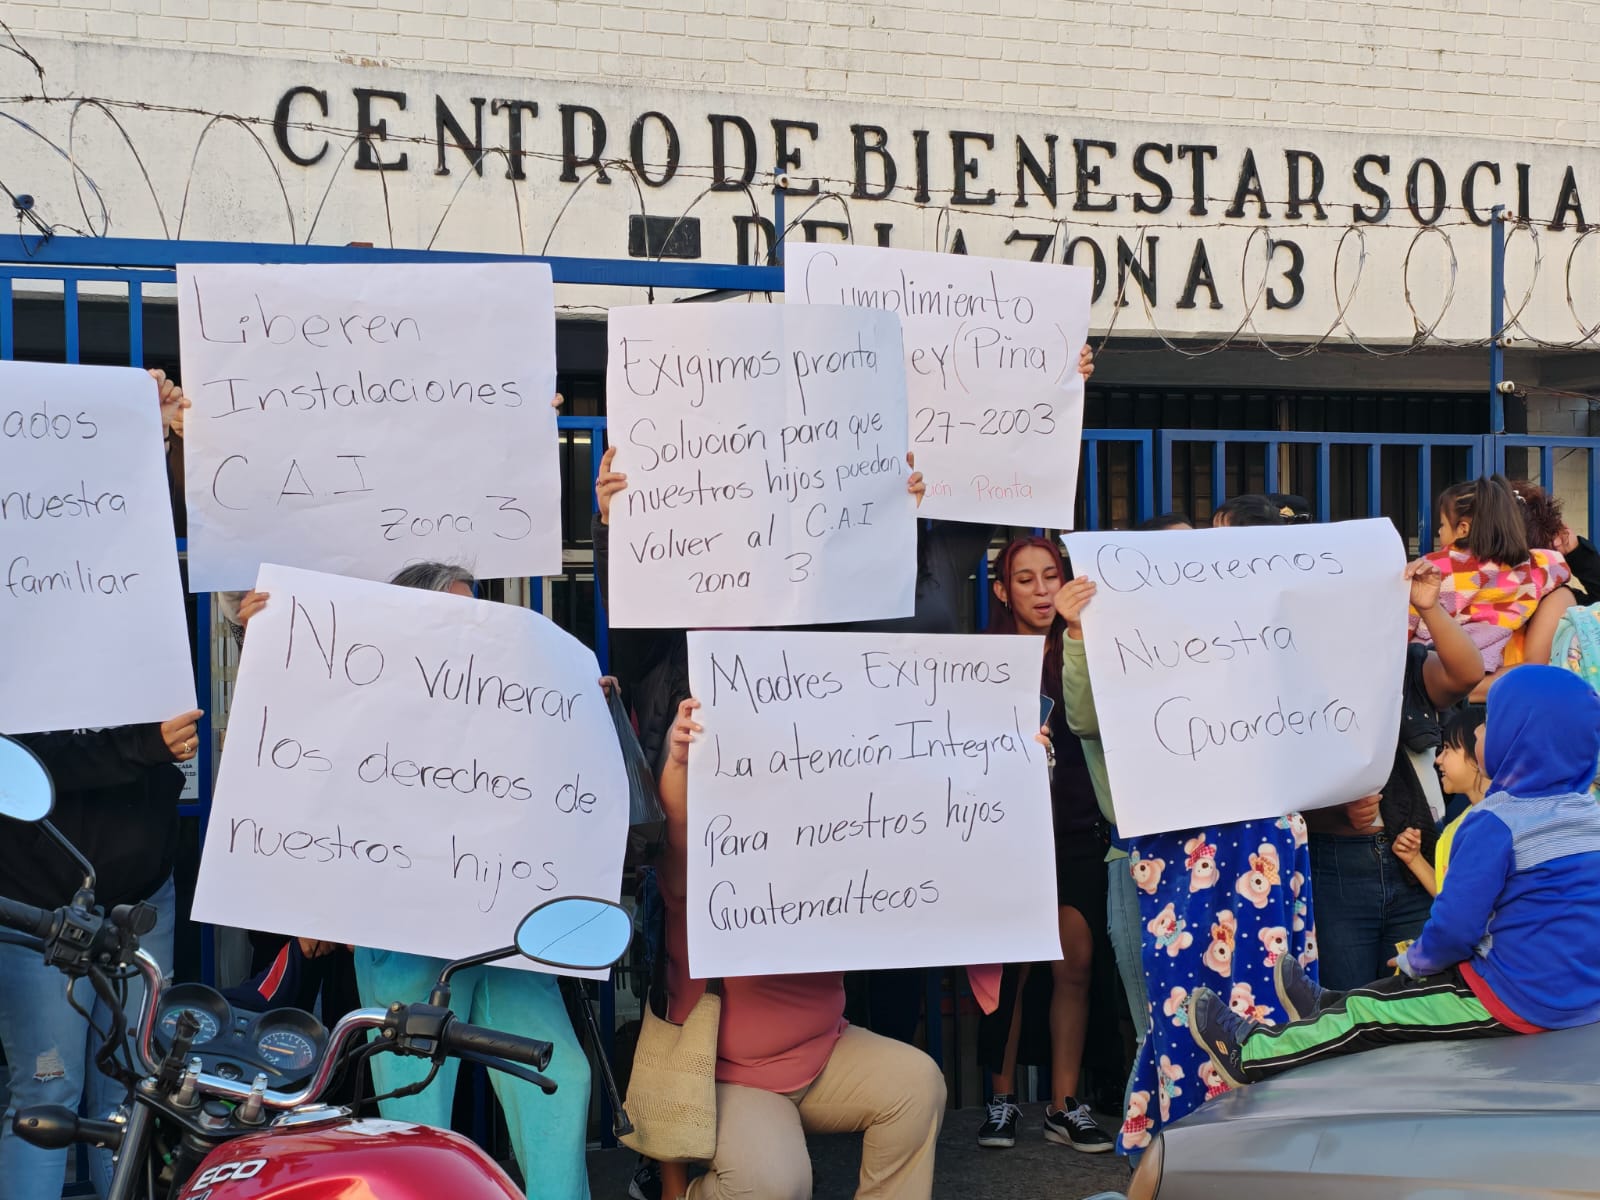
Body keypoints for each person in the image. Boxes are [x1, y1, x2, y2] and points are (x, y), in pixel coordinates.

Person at [229, 563, 595, 1200]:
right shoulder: (364, 694)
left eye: (476, 610)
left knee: (562, 1075)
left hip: (502, 937)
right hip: (403, 936)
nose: (471, 625)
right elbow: (294, 740)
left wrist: (589, 713)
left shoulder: (515, 695)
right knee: (416, 1108)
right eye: (453, 612)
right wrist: (259, 645)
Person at [656, 697, 1000, 1200]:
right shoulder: (710, 847)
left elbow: (944, 834)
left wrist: (1015, 767)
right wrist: (679, 762)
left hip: (825, 1051)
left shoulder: (841, 840)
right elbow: (679, 829)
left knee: (916, 1083)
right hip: (731, 1078)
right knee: (774, 1184)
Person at [1189, 666, 1600, 1086]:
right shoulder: (1591, 814)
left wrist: (1417, 959)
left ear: (1518, 738)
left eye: (1490, 722)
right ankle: (1326, 1008)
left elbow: (1456, 928)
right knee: (1406, 989)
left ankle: (1251, 1054)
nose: (1479, 733)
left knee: (1369, 1017)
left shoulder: (1495, 823)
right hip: (1580, 996)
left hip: (1516, 1000)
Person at [1053, 561, 1317, 1155]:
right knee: (1170, 1022)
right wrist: (1076, 634)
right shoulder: (1132, 650)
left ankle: (1259, 1156)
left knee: (1265, 1013)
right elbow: (1087, 718)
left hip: (1253, 854)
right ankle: (1182, 1163)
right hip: (1158, 860)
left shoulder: (1246, 652)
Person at [0, 713, 201, 1200]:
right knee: (48, 1093)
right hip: (40, 899)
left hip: (144, 892)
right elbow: (19, 760)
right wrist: (144, 745)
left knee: (135, 1092)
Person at [975, 536, 1115, 1153]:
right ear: (1002, 590)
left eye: (1050, 576)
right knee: (1009, 970)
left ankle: (1064, 1104)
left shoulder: (1089, 646)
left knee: (1075, 963)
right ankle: (1001, 1100)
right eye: (1024, 579)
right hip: (1003, 835)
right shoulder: (980, 659)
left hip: (1078, 826)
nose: (1039, 591)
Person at [1306, 553, 1484, 991]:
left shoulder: (1405, 666)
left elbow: (1467, 674)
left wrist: (1429, 606)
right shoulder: (1299, 681)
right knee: (1348, 1001)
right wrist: (1337, 813)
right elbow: (1284, 786)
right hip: (1338, 863)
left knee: (1419, 998)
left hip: (1420, 855)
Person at [1411, 476, 1571, 672]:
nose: (1439, 530)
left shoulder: (1440, 567)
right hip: (1489, 659)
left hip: (1438, 658)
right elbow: (1557, 567)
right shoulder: (1527, 567)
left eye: (1442, 525)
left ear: (1463, 529)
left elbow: (1410, 615)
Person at [1392, 706, 1488, 897]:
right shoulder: (1457, 827)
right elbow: (1449, 896)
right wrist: (1414, 859)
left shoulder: (1501, 822)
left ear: (1479, 751)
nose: (1438, 760)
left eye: (1448, 749)